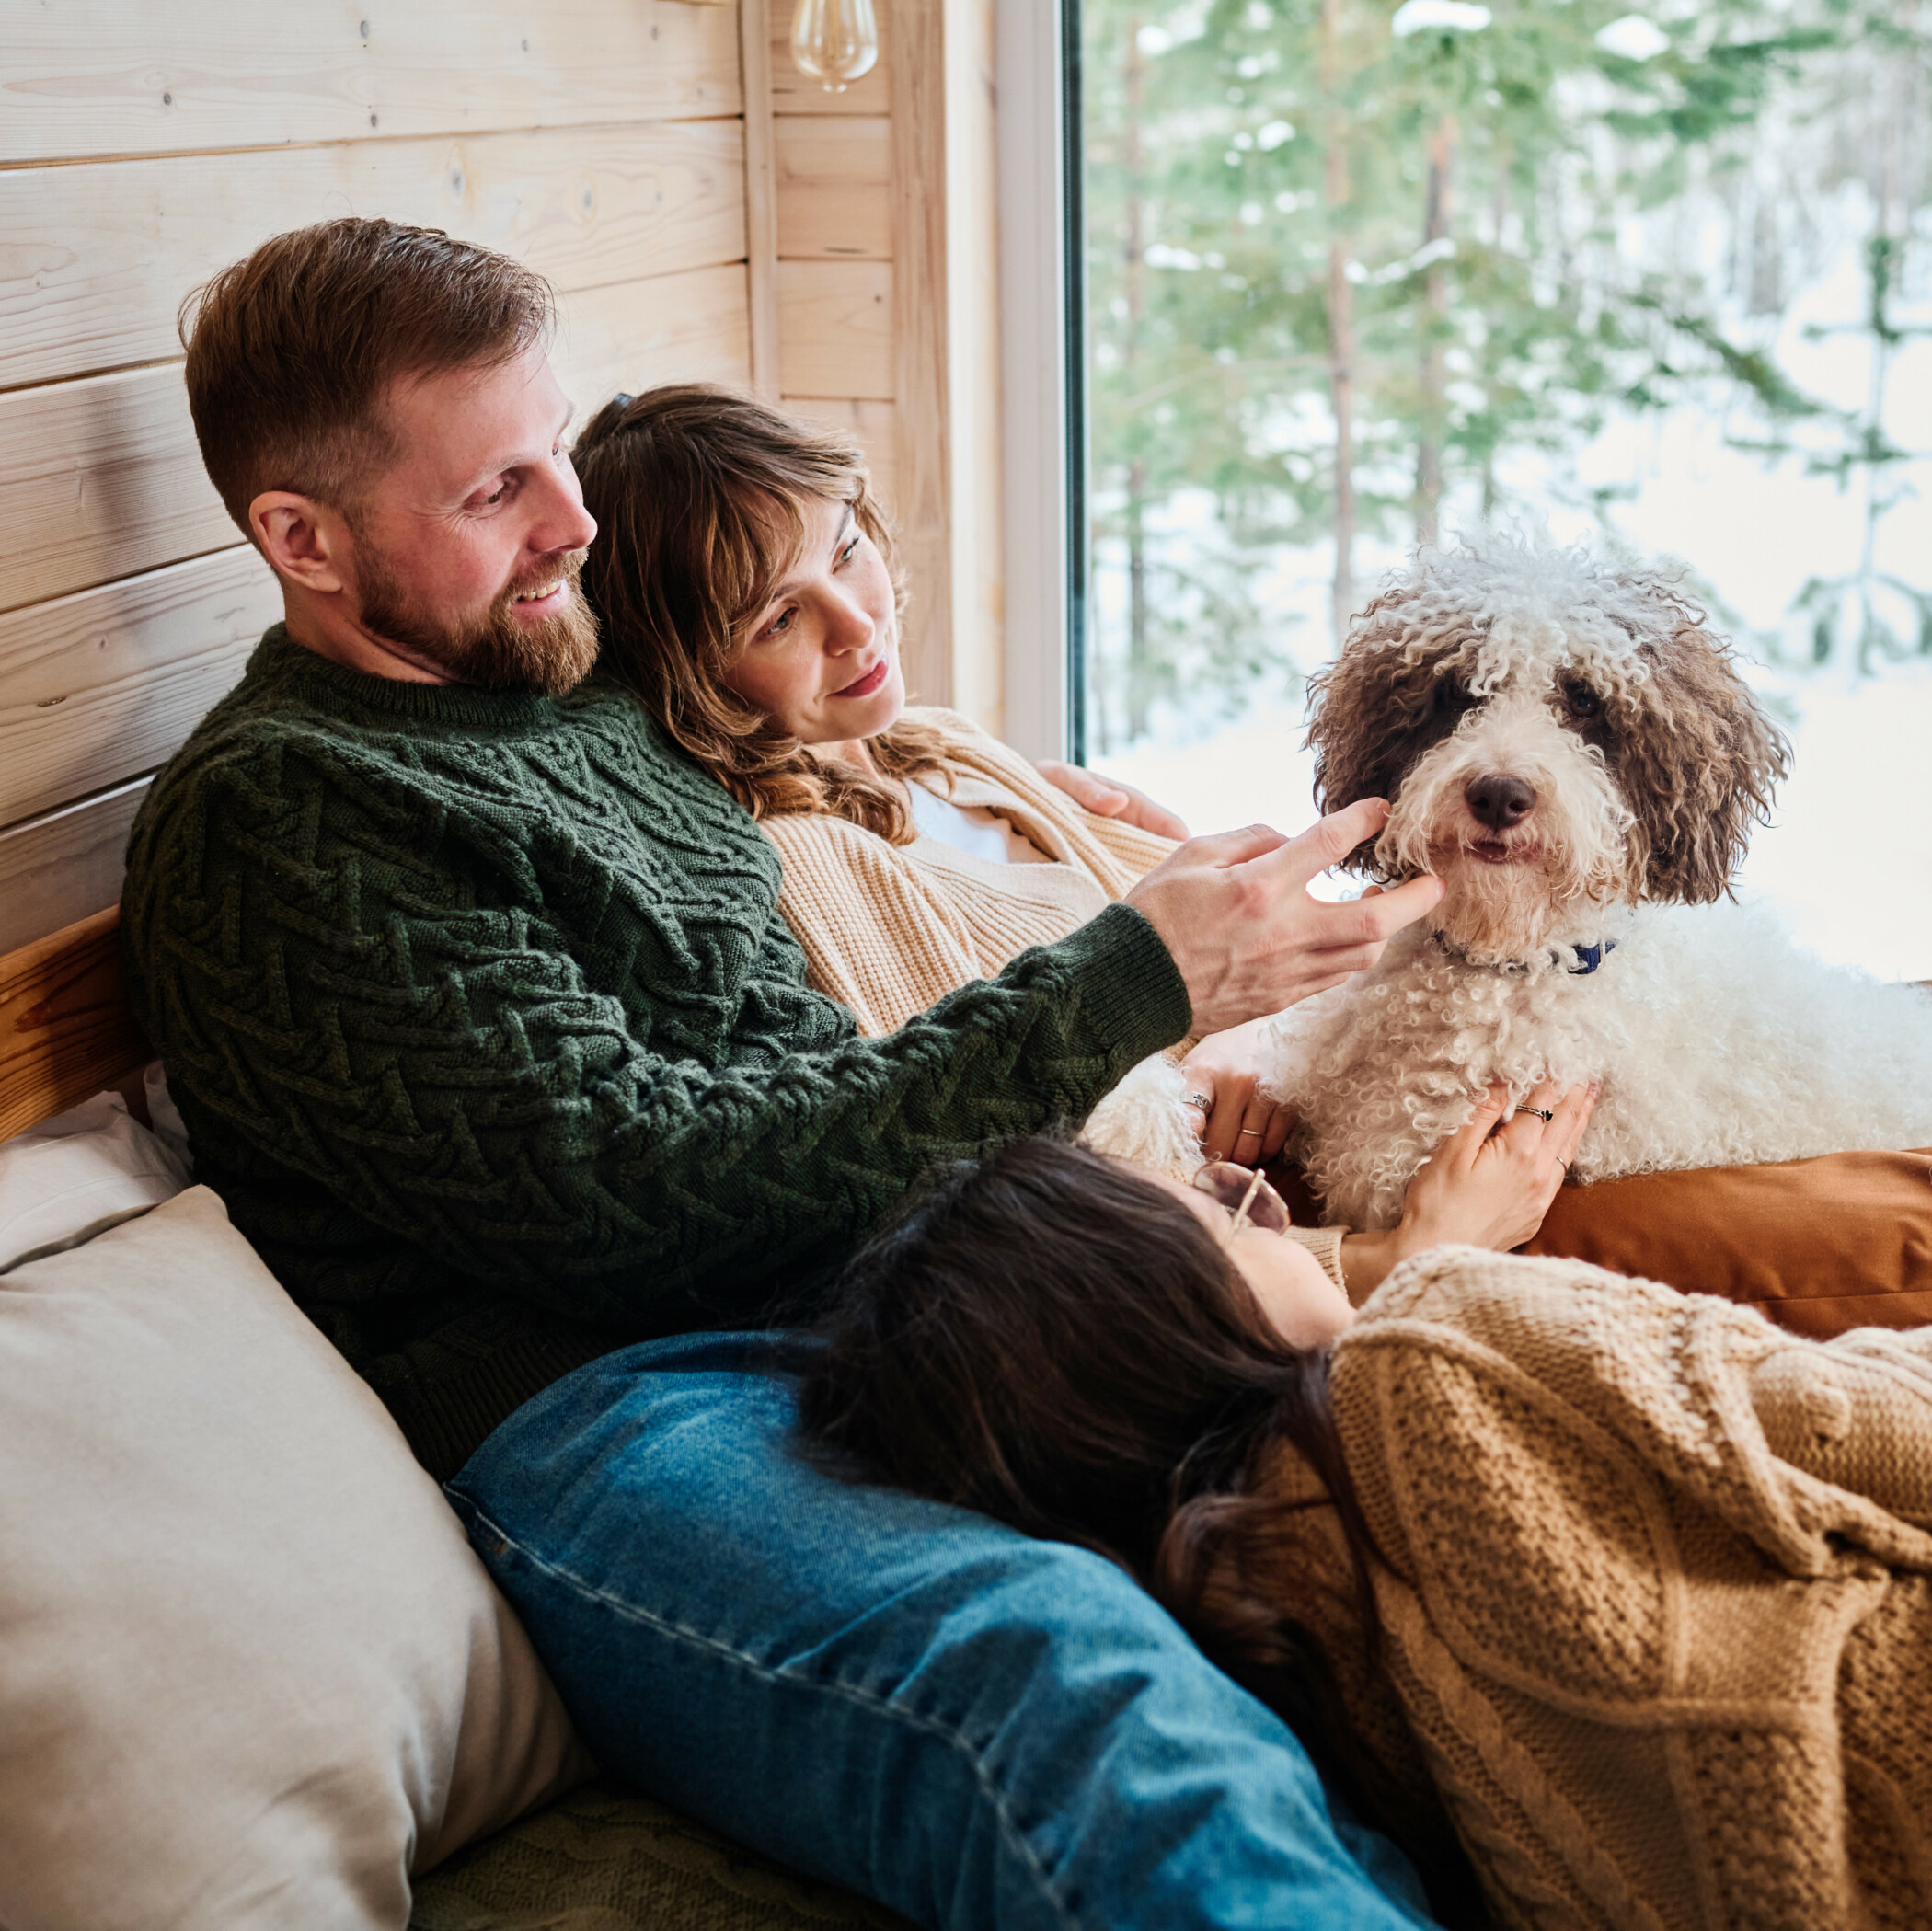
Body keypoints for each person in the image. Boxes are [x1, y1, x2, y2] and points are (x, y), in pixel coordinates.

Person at [121, 215, 1464, 1929]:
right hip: (629, 1403)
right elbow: (644, 1198)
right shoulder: (286, 818)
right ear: (298, 538)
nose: (574, 524)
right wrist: (1132, 972)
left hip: (899, 1282)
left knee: (1379, 1518)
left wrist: (1032, 808)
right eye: (496, 493)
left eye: (557, 449)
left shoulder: (565, 665)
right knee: (1071, 1686)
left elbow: (817, 694)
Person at [569, 383, 1575, 1300]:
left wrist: (1228, 1031)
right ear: (695, 670)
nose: (855, 627)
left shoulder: (939, 747)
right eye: (779, 617)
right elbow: (1013, 1188)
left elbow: (1191, 958)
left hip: (1314, 1123)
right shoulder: (811, 862)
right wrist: (1394, 1257)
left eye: (844, 552)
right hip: (1267, 1266)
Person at [795, 1132, 1932, 1926]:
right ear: (1159, 1296)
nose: (1269, 1203)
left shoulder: (1250, 1637)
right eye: (1219, 1205)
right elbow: (1884, 1428)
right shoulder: (1431, 1342)